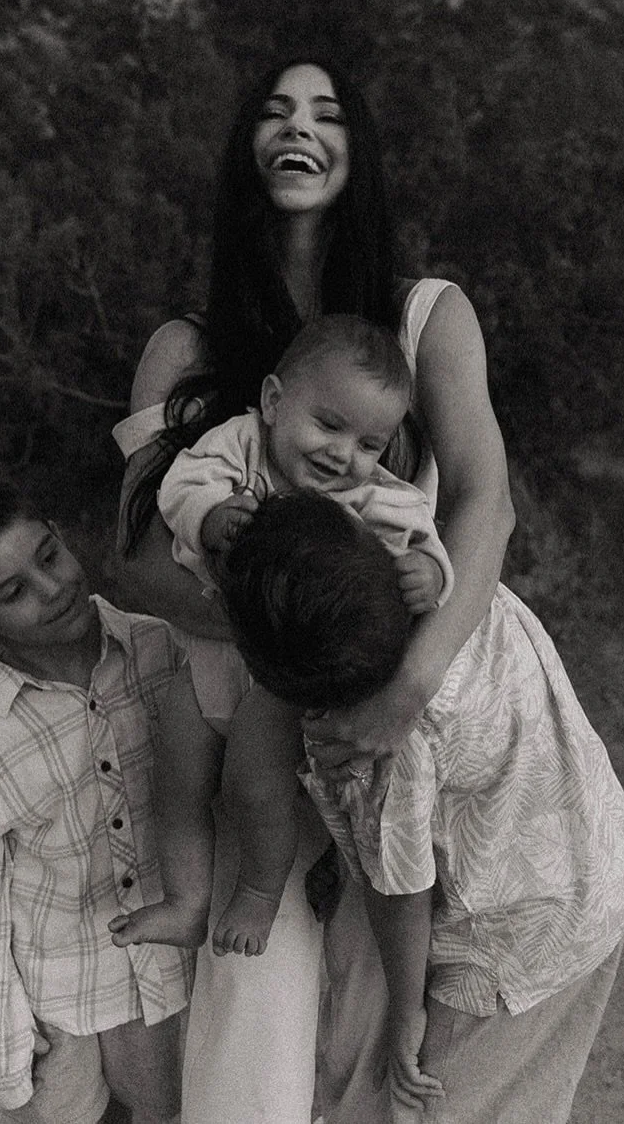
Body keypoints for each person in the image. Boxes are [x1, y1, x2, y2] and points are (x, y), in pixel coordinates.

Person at [112, 57, 518, 1124]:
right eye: (275, 111)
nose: (300, 128)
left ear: (358, 152)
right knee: (256, 999)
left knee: (394, 1014)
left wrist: (402, 685)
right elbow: (137, 558)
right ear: (244, 148)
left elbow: (481, 505)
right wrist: (284, 630)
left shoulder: (425, 317)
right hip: (252, 689)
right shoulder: (182, 349)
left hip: (394, 712)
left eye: (328, 113)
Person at [220, 490, 624, 1124]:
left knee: (434, 1102)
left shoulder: (369, 748)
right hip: (602, 869)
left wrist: (406, 1014)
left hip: (507, 943)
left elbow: (401, 893)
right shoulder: (464, 592)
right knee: (525, 1094)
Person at [109, 314, 452, 960]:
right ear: (272, 401)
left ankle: (260, 892)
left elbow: (422, 531)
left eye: (368, 444)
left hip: (277, 682)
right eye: (328, 425)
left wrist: (427, 572)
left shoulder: (369, 496)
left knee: (252, 783)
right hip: (206, 648)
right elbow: (178, 486)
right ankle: (185, 900)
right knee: (173, 772)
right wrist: (209, 517)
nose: (342, 454)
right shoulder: (234, 447)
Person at [0, 480, 190, 1124]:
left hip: (178, 969)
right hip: (64, 994)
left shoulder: (163, 648)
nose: (52, 587)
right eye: (13, 592)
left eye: (49, 556)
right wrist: (3, 1059)